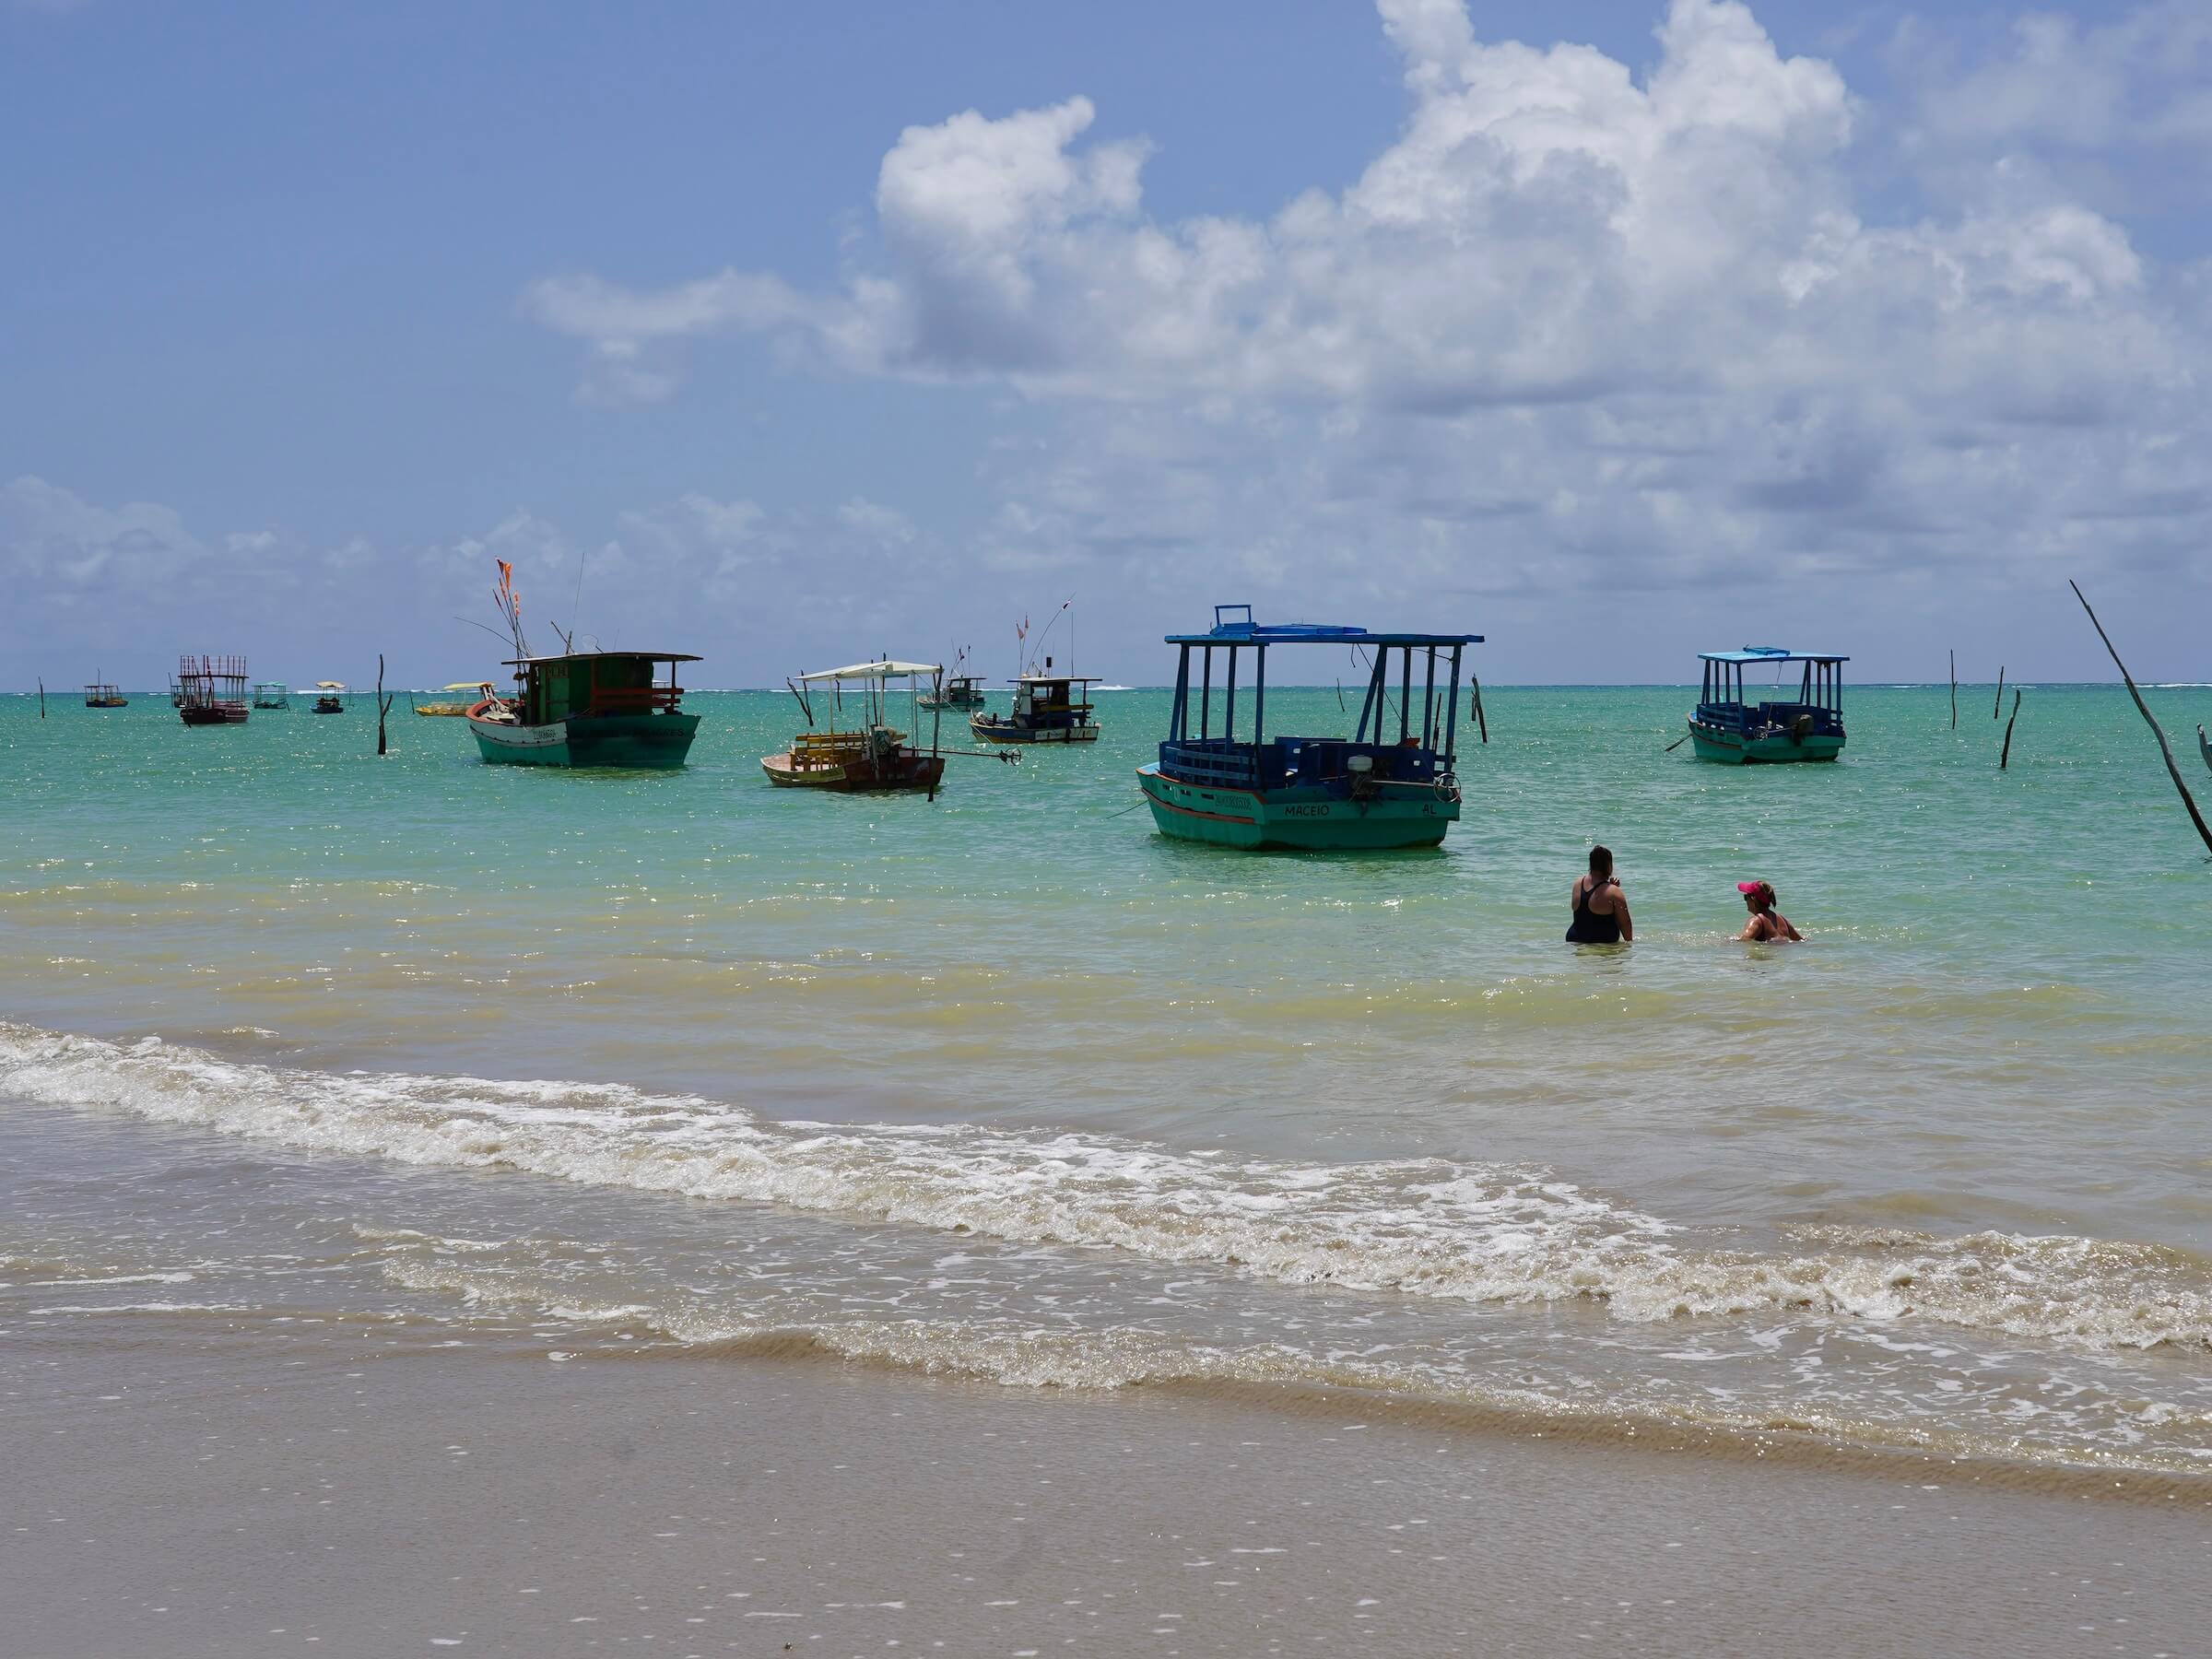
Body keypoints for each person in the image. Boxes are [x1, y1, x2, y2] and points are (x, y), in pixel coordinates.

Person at [1566, 845, 1631, 943]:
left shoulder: (1578, 883)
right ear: (1608, 865)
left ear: (1591, 863)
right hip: (1601, 945)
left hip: (1574, 939)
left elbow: (1587, 911)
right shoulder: (1614, 892)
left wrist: (1610, 886)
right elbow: (1625, 923)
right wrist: (1629, 945)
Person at [1736, 878, 1802, 942]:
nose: (1746, 901)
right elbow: (1801, 940)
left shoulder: (1756, 921)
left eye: (1746, 897)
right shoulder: (1782, 919)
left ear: (1753, 900)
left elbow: (1742, 942)